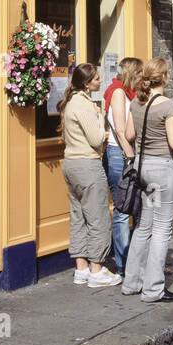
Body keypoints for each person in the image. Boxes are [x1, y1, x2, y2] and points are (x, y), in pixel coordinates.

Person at [121, 58, 173, 302]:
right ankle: (153, 289)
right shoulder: (167, 105)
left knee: (143, 227)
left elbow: (128, 134)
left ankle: (132, 282)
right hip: (162, 171)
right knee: (161, 229)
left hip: (142, 168)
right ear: (165, 78)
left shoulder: (137, 102)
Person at [60, 64, 122, 288]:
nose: (100, 80)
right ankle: (97, 271)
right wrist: (100, 116)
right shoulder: (84, 105)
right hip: (87, 165)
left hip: (71, 164)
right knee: (98, 218)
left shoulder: (70, 102)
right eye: (96, 78)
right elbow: (96, 139)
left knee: (78, 217)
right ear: (86, 83)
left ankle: (82, 268)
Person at [102, 57, 142, 275]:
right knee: (123, 210)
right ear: (131, 74)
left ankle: (135, 261)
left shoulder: (129, 94)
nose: (141, 79)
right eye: (138, 75)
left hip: (129, 153)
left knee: (135, 208)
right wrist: (131, 157)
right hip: (120, 155)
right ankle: (124, 264)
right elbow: (120, 129)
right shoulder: (118, 93)